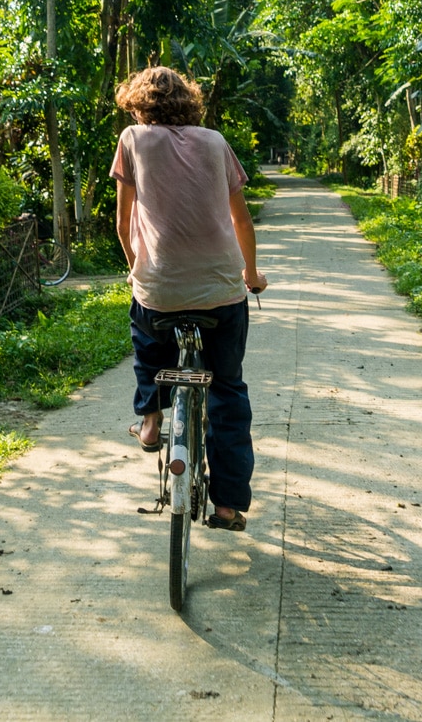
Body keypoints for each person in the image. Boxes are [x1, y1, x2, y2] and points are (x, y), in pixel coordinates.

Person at [110, 66, 267, 532]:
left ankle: (152, 419)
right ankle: (227, 505)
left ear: (139, 105)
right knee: (227, 390)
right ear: (190, 101)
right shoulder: (216, 142)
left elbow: (123, 224)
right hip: (221, 289)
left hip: (158, 287)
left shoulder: (132, 139)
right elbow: (242, 222)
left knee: (148, 345)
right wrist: (252, 274)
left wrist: (138, 268)